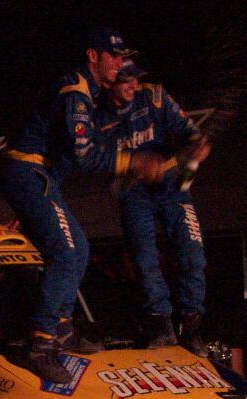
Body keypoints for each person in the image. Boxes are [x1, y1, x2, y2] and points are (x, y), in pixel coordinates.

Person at [0, 28, 159, 384]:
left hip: (36, 176)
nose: (120, 65)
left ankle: (62, 328)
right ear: (93, 56)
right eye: (114, 57)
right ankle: (40, 344)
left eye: (123, 58)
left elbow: (66, 159)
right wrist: (132, 163)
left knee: (80, 248)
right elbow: (85, 157)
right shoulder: (77, 93)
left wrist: (31, 203)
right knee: (66, 252)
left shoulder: (90, 96)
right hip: (27, 170)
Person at [97, 57, 211, 355]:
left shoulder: (155, 96)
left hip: (172, 185)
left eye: (136, 78)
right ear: (110, 82)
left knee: (192, 251)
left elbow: (190, 132)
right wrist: (136, 166)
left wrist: (196, 146)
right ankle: (161, 326)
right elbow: (94, 158)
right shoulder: (97, 112)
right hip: (132, 190)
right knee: (145, 259)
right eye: (126, 80)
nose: (134, 85)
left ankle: (192, 326)